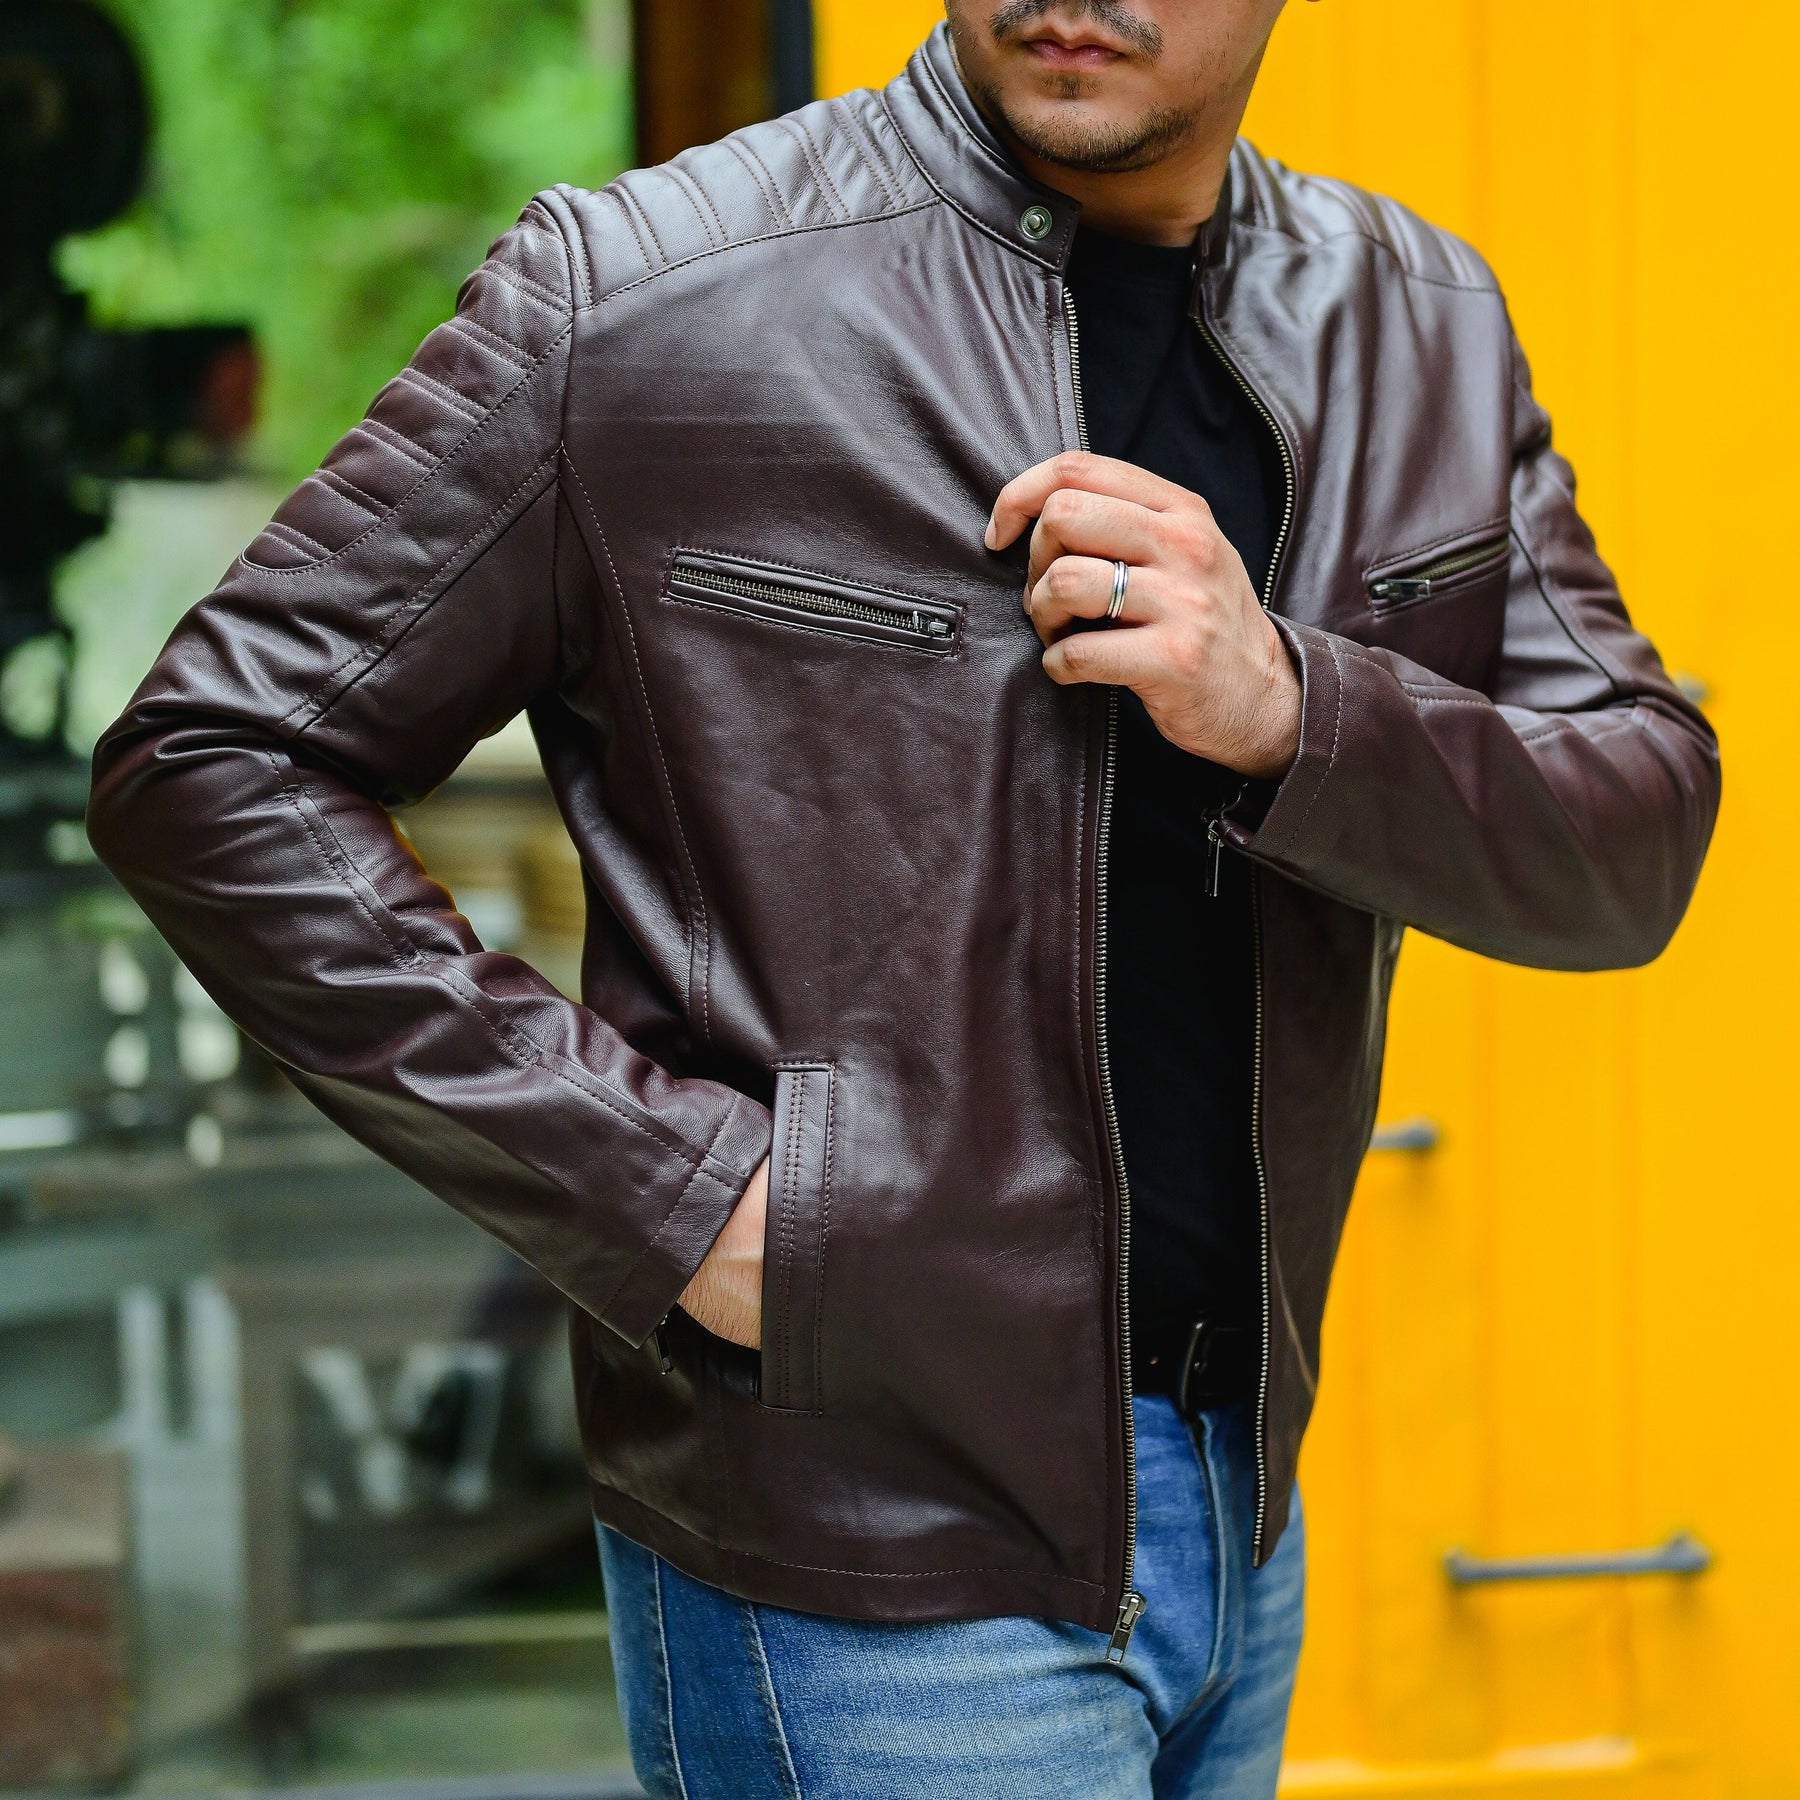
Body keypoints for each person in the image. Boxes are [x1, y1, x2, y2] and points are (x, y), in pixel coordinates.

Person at [87, 1, 1720, 1793]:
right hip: (859, 1542)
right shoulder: (642, 296)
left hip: (1243, 1508)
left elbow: (1635, 832)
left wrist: (1290, 709)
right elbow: (214, 761)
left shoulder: (1417, 321)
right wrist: (672, 1198)